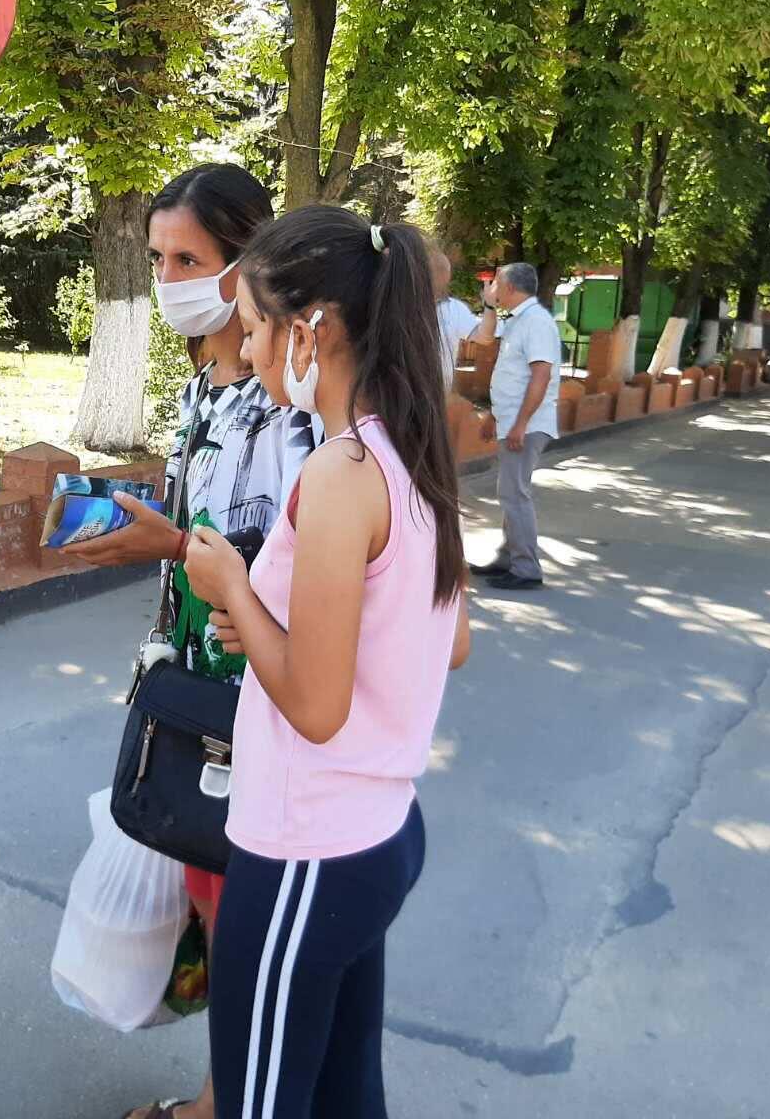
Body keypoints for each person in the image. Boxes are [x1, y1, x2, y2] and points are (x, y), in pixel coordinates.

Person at [182, 206, 471, 1118]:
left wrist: (233, 588)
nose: (248, 348)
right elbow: (451, 639)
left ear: (309, 331)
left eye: (255, 327)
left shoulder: (341, 474)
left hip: (306, 847)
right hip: (376, 832)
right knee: (347, 1092)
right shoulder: (411, 452)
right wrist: (276, 623)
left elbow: (314, 706)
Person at [61, 163, 319, 1119]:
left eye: (190, 260)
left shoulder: (286, 401)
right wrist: (145, 535)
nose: (169, 279)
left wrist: (173, 545)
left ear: (248, 262)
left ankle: (226, 1102)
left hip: (252, 696)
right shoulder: (202, 383)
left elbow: (294, 560)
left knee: (240, 912)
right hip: (183, 682)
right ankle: (226, 1091)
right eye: (159, 258)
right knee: (212, 905)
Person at [467, 262, 560, 590]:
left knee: (514, 494)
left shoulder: (536, 322)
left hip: (527, 425)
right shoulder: (520, 320)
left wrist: (520, 423)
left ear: (509, 288)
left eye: (496, 283)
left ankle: (526, 568)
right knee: (510, 492)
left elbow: (540, 376)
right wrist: (496, 416)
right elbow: (513, 376)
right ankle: (509, 558)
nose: (492, 289)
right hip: (514, 421)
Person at [430, 246, 480, 386]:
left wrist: (490, 306)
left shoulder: (455, 308)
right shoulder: (402, 304)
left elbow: (481, 336)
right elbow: (482, 336)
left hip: (438, 388)